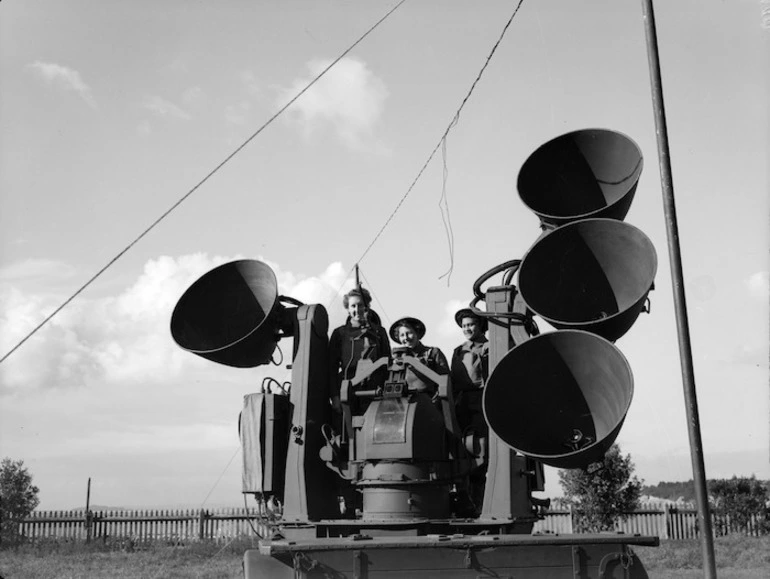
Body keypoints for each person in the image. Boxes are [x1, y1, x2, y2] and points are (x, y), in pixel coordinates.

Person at [450, 308, 490, 511]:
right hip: (461, 403)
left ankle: (480, 503)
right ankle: (464, 501)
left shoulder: (490, 347)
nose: (467, 328)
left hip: (482, 401)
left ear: (480, 325)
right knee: (461, 452)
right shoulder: (458, 351)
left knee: (481, 451)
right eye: (464, 325)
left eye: (471, 324)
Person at [328, 287, 391, 412]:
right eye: (353, 306)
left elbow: (387, 364)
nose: (357, 310)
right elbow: (331, 368)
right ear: (348, 309)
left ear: (366, 307)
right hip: (348, 388)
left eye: (360, 305)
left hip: (374, 389)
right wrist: (335, 396)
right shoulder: (339, 334)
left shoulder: (379, 332)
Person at [388, 317, 449, 391]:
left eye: (409, 333)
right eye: (402, 335)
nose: (406, 338)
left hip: (429, 399)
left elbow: (446, 380)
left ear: (417, 333)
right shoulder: (395, 357)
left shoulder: (433, 353)